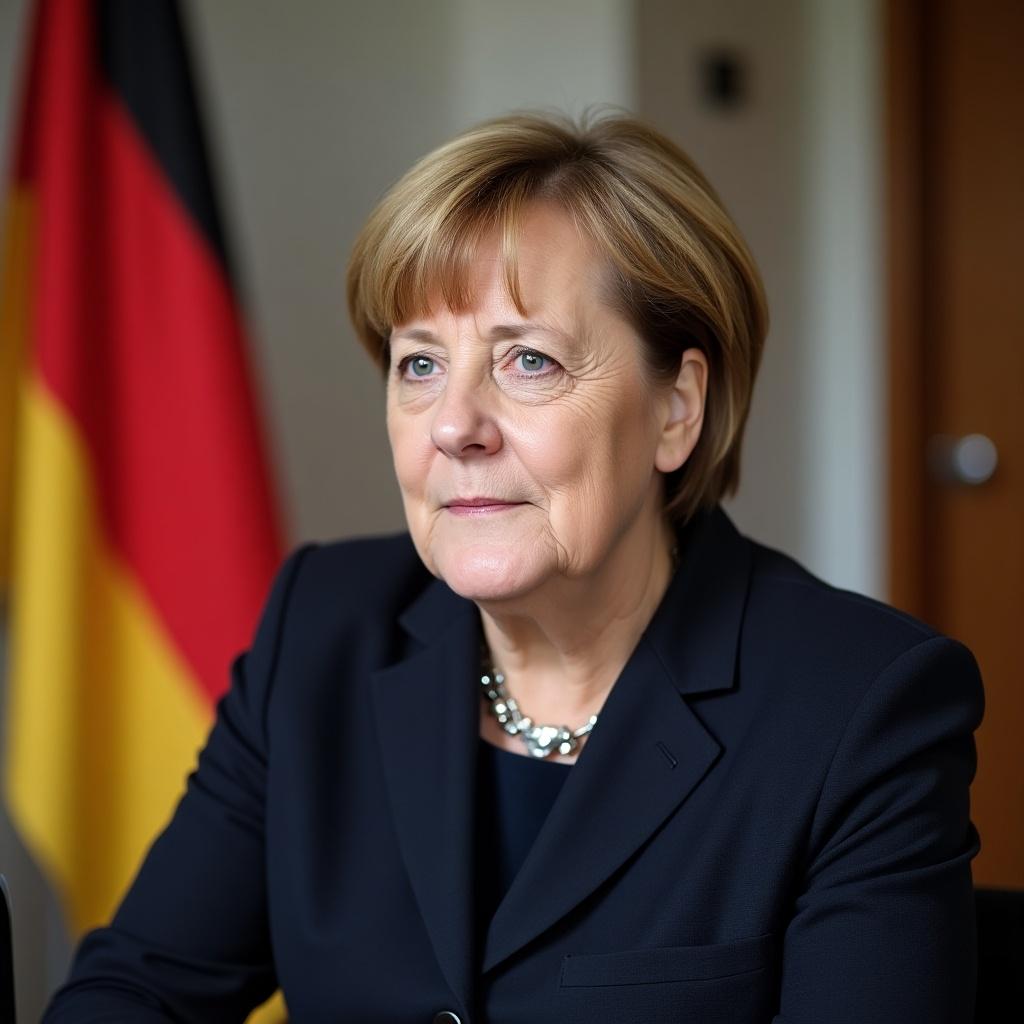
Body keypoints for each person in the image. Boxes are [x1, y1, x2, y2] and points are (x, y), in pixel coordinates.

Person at [43, 106, 984, 1023]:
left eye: (527, 360)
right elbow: (139, 986)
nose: (454, 425)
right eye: (419, 365)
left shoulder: (859, 707)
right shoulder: (321, 627)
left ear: (676, 410)